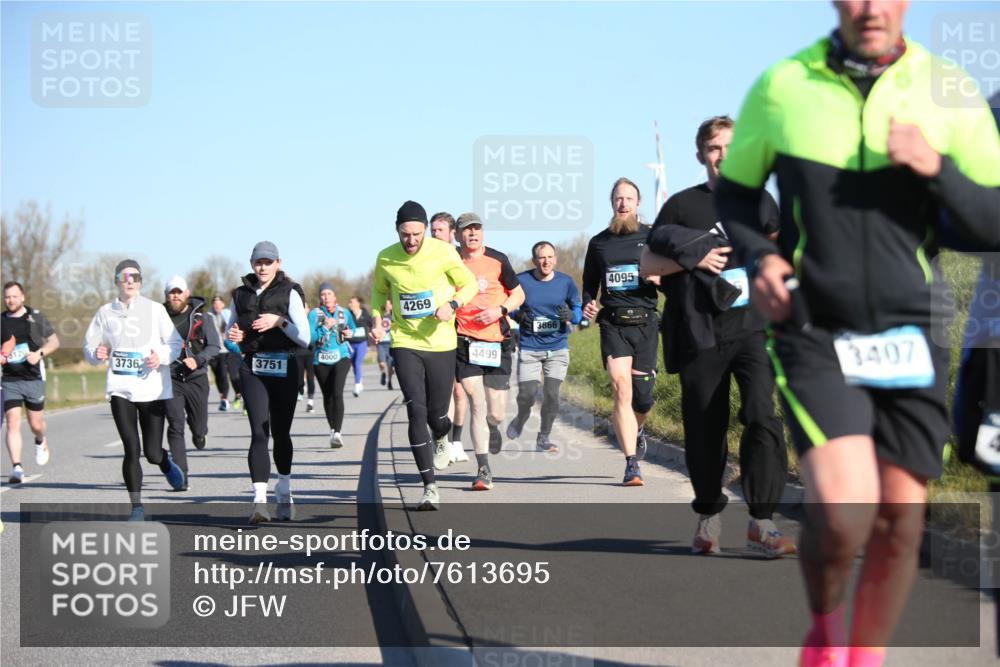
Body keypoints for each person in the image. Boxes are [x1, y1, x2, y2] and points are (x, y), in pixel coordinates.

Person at [715, 2, 1000, 664]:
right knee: (845, 517)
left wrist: (936, 167)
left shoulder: (947, 90)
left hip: (916, 329)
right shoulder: (784, 85)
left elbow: (993, 221)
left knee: (900, 524)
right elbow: (736, 195)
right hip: (816, 326)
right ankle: (824, 630)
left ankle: (862, 658)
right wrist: (762, 256)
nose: (871, 8)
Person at [641, 115, 794, 558]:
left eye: (731, 147)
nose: (723, 156)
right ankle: (709, 514)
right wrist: (696, 257)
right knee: (705, 427)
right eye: (714, 148)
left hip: (753, 329)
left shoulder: (761, 202)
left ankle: (762, 521)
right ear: (701, 155)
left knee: (763, 415)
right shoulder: (681, 208)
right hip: (699, 332)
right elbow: (649, 267)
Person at [369, 200, 478, 510]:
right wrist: (378, 321)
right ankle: (430, 486)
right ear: (397, 231)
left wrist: (453, 305)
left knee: (437, 415)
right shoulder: (386, 258)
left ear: (425, 231)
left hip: (442, 343)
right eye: (406, 234)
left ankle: (442, 436)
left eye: (417, 234)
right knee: (415, 410)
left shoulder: (443, 252)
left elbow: (468, 284)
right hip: (405, 341)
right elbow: (378, 292)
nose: (412, 240)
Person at [83, 260, 186, 520]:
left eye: (135, 277)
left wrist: (160, 356)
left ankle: (164, 462)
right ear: (117, 280)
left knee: (151, 452)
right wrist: (96, 353)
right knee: (131, 448)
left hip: (152, 390)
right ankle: (137, 507)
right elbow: (90, 347)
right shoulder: (105, 312)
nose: (130, 281)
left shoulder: (154, 310)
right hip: (121, 389)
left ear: (140, 281)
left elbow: (175, 343)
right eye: (124, 277)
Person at [581, 177, 661, 486]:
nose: (623, 203)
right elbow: (589, 284)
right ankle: (631, 464)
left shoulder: (654, 237)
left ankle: (637, 427)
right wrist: (588, 302)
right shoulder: (599, 242)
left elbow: (676, 276)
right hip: (613, 323)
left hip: (645, 323)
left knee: (643, 400)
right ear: (612, 203)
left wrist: (659, 280)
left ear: (638, 203)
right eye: (618, 198)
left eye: (628, 198)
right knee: (620, 388)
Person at [227, 242, 310, 524]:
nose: (262, 267)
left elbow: (305, 337)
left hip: (285, 365)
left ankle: (284, 489)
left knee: (281, 431)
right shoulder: (240, 295)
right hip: (253, 366)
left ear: (278, 263)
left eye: (268, 262)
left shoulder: (290, 292)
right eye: (258, 262)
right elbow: (231, 329)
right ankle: (259, 503)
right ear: (252, 264)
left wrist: (279, 322)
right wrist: (235, 336)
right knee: (259, 431)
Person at [454, 212, 525, 490]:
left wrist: (500, 309)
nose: (472, 233)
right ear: (458, 235)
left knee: (495, 412)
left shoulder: (498, 259)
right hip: (464, 339)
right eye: (467, 230)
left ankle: (494, 426)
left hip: (497, 341)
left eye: (477, 229)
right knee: (476, 402)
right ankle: (483, 468)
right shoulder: (452, 262)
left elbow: (519, 294)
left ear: (483, 232)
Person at [506, 242, 582, 452]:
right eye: (541, 258)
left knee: (552, 393)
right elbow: (509, 304)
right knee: (527, 395)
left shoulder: (565, 282)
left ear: (555, 259)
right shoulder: (522, 281)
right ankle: (521, 418)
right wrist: (517, 314)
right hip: (530, 348)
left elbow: (577, 309)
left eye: (550, 257)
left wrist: (572, 316)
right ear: (534, 260)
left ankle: (543, 436)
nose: (546, 261)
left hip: (558, 348)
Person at [162, 275, 221, 489]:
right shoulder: (158, 318)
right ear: (167, 295)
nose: (175, 296)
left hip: (196, 378)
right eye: (171, 292)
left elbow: (214, 347)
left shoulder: (203, 319)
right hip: (170, 378)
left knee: (198, 427)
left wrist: (197, 360)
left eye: (179, 292)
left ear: (187, 294)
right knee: (175, 425)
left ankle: (200, 434)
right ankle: (181, 476)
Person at [1, 281, 60, 483]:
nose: (11, 300)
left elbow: (54, 341)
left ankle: (40, 439)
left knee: (36, 424)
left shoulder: (35, 317)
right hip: (9, 379)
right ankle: (17, 467)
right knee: (12, 422)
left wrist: (39, 353)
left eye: (14, 296)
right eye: (7, 296)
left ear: (22, 297)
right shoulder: (1, 321)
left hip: (33, 377)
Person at [430, 211, 470, 463]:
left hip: (461, 325)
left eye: (440, 231)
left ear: (452, 233)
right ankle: (442, 438)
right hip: (437, 329)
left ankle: (456, 440)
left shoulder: (460, 256)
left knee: (460, 389)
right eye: (432, 231)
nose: (435, 235)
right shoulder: (425, 256)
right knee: (443, 390)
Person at [309, 282, 355, 448]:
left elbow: (355, 330)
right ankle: (332, 428)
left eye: (329, 293)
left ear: (335, 296)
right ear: (320, 297)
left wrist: (351, 333)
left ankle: (338, 432)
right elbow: (310, 338)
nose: (326, 297)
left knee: (337, 393)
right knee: (327, 396)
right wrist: (325, 328)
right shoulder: (315, 314)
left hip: (341, 356)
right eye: (323, 294)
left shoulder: (344, 312)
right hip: (320, 359)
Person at [208, 295, 242, 412]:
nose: (217, 305)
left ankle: (238, 394)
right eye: (214, 303)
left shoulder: (228, 314)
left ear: (223, 304)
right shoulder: (209, 316)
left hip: (231, 349)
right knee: (221, 375)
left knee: (234, 375)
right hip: (218, 350)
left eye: (219, 303)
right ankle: (224, 398)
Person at [347, 296, 373, 396]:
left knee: (357, 363)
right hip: (351, 343)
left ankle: (357, 385)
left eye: (352, 302)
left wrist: (371, 336)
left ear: (358, 303)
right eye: (349, 302)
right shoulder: (348, 314)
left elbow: (372, 324)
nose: (350, 304)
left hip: (362, 343)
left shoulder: (365, 314)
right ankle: (360, 381)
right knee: (353, 364)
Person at [297, 299, 317, 413]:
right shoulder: (295, 321)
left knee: (310, 376)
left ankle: (310, 401)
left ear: (308, 309)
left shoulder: (313, 321)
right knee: (299, 378)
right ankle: (300, 389)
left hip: (311, 352)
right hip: (298, 352)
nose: (303, 310)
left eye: (305, 307)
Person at [376, 299, 395, 390]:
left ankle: (390, 381)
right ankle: (383, 373)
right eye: (385, 304)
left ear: (391, 306)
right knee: (381, 362)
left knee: (390, 365)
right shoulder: (379, 315)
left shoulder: (394, 316)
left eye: (388, 304)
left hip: (391, 343)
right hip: (381, 343)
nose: (386, 306)